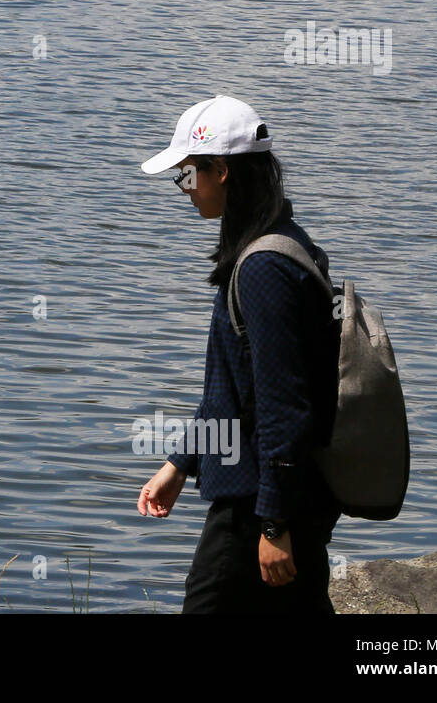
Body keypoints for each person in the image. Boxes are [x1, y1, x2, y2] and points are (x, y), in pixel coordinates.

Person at [135, 95, 342, 613]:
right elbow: (232, 389)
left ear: (221, 170)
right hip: (283, 490)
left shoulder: (263, 269)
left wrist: (274, 524)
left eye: (187, 176)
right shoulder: (281, 245)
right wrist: (180, 463)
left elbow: (282, 404)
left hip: (257, 502)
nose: (184, 191)